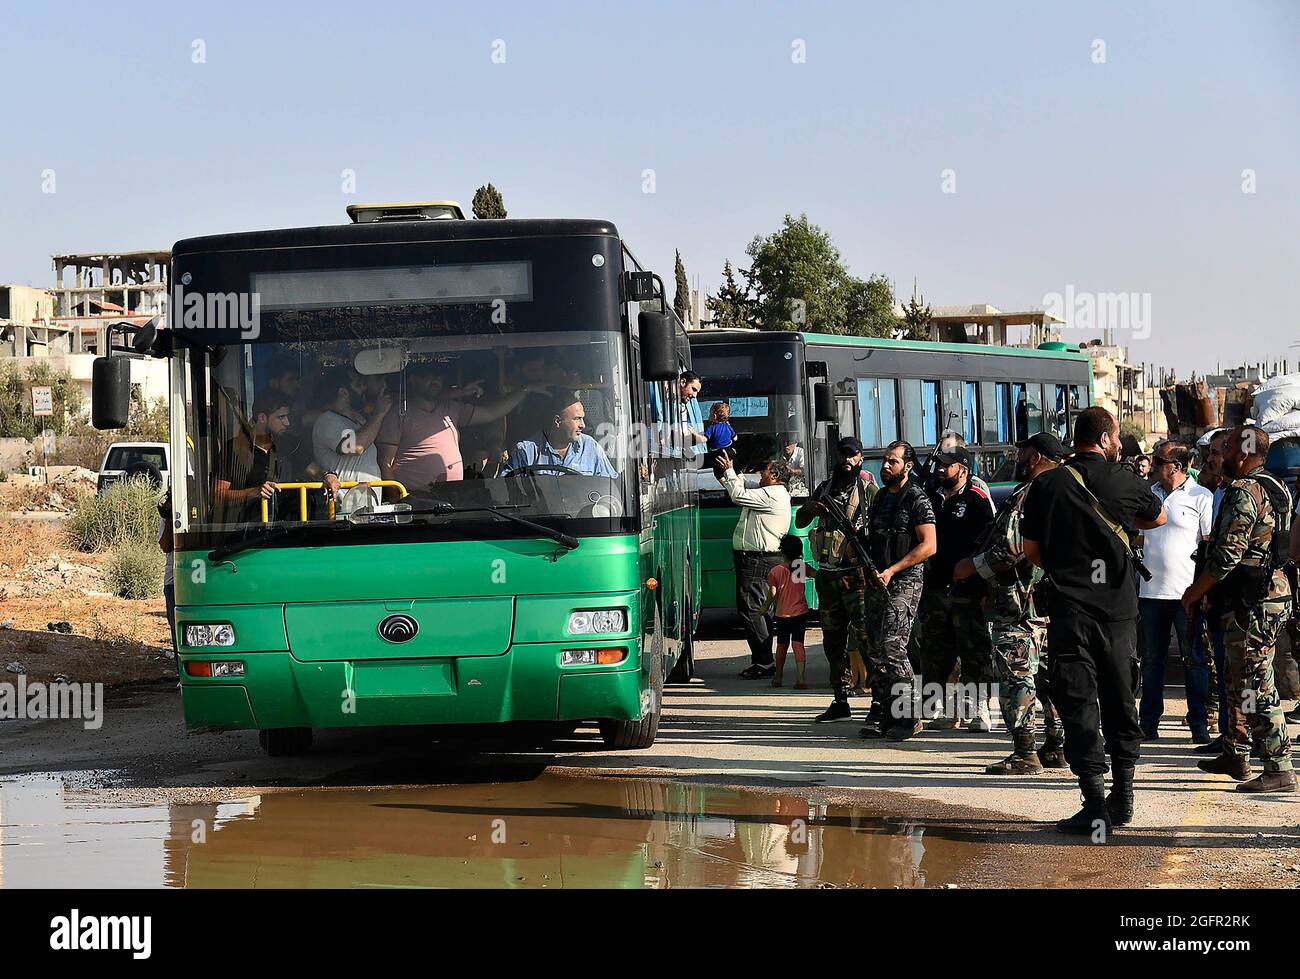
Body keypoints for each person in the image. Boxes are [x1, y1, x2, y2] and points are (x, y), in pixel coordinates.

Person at [1021, 406, 1166, 836]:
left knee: (1079, 704)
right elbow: (1157, 518)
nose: (1119, 443)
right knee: (1122, 699)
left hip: (1070, 613)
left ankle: (1094, 803)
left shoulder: (1047, 485)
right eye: (1117, 436)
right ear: (1105, 439)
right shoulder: (1127, 480)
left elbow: (1031, 550)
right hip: (1119, 615)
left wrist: (1069, 571)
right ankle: (1124, 796)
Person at [1182, 425, 1295, 792]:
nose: (1220, 455)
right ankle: (1237, 750)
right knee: (1237, 678)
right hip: (1265, 594)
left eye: (1227, 447)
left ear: (1243, 453)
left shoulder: (1245, 491)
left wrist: (1194, 592)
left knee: (1255, 682)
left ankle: (1278, 766)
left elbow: (1228, 554)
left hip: (1254, 601)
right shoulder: (1276, 487)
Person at [957, 432, 1067, 774]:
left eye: (1022, 453)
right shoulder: (1068, 491)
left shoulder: (1028, 495)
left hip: (1020, 604)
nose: (1018, 458)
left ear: (1035, 457)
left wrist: (970, 568)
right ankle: (1055, 746)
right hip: (1058, 605)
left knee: (1016, 676)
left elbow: (1010, 549)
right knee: (1052, 678)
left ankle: (1025, 752)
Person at [860, 440, 936, 740]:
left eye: (893, 461)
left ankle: (908, 713)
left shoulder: (917, 498)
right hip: (877, 581)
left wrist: (893, 570)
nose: (886, 466)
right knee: (875, 647)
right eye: (885, 461)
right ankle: (883, 709)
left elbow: (929, 545)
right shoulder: (879, 498)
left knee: (893, 645)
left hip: (904, 581)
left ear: (908, 465)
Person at [1138, 442, 1215, 742]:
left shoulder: (1201, 497)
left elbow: (1208, 546)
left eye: (1160, 461)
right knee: (1152, 661)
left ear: (1177, 467)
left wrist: (1204, 591)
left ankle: (1199, 724)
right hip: (1151, 595)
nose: (1154, 465)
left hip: (1187, 595)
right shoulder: (1149, 495)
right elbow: (1138, 537)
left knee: (1194, 659)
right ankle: (1148, 723)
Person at [918, 444, 997, 731]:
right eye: (939, 464)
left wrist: (979, 573)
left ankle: (979, 709)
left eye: (947, 465)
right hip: (936, 586)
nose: (941, 469)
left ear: (962, 468)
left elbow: (991, 539)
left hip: (968, 588)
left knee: (974, 650)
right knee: (935, 649)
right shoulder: (931, 498)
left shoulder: (976, 498)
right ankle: (935, 706)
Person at [796, 437, 875, 722]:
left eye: (852, 455)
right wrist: (811, 509)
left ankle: (878, 700)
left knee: (867, 638)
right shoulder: (825, 489)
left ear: (861, 458)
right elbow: (801, 522)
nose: (846, 460)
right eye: (842, 454)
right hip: (829, 576)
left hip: (857, 576)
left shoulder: (868, 491)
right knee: (833, 641)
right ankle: (840, 699)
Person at [377, 363, 549, 490]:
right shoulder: (398, 411)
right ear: (413, 380)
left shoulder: (451, 408)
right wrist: (395, 498)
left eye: (438, 376)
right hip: (415, 498)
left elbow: (491, 412)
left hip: (452, 495)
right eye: (427, 376)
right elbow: (385, 463)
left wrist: (525, 390)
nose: (435, 380)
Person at [716, 453, 793, 679]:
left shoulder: (773, 494)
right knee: (761, 610)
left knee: (751, 610)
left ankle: (764, 661)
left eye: (766, 470)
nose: (761, 473)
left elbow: (739, 495)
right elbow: (743, 486)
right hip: (761, 559)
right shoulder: (770, 492)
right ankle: (764, 659)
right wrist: (731, 472)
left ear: (775, 476)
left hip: (757, 560)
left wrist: (730, 473)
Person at [311, 365, 393, 508]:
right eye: (358, 384)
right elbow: (357, 446)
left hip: (365, 502)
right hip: (345, 506)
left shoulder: (359, 419)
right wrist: (379, 413)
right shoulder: (327, 421)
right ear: (343, 392)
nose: (364, 388)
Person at [213, 393, 291, 523]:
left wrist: (329, 475)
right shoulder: (234, 448)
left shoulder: (288, 444)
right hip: (248, 531)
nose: (287, 423)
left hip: (287, 529)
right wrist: (254, 492)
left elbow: (313, 468)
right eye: (281, 417)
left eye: (287, 417)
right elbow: (218, 495)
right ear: (262, 417)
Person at [503, 393, 617, 477]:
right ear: (557, 421)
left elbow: (611, 486)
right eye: (577, 419)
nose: (583, 425)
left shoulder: (591, 447)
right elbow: (505, 489)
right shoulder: (526, 452)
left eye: (582, 418)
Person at [761, 534, 811, 690]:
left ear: (782, 551)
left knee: (782, 645)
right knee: (798, 644)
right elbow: (818, 575)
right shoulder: (801, 567)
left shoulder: (775, 571)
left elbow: (773, 593)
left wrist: (765, 607)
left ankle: (778, 676)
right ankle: (801, 678)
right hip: (800, 613)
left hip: (782, 614)